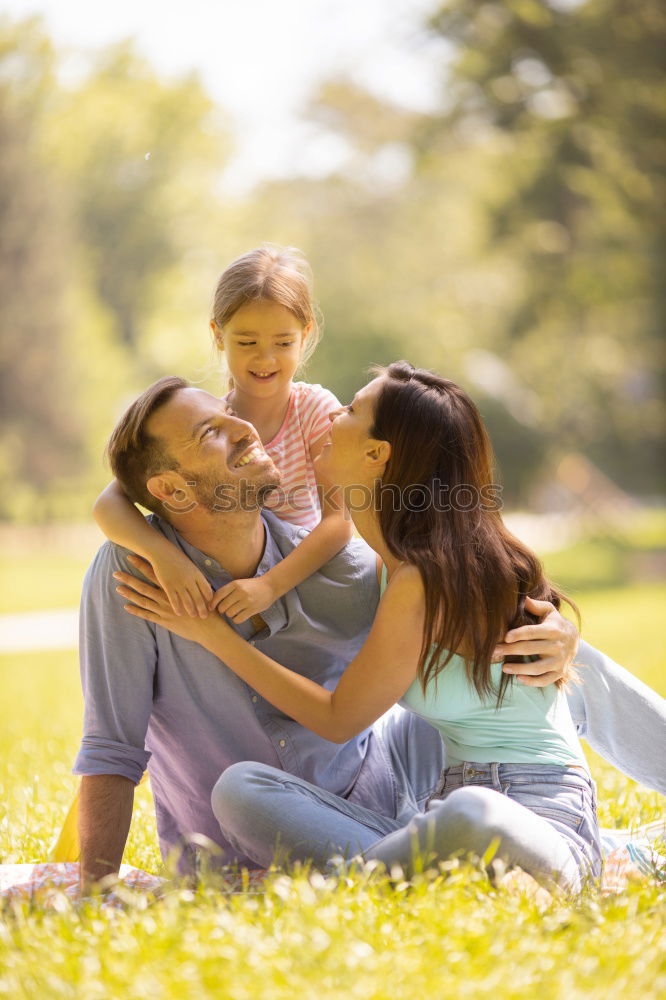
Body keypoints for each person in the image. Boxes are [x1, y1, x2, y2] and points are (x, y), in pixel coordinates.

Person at [77, 375, 666, 891]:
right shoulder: (138, 575)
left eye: (352, 412)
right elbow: (112, 744)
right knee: (240, 789)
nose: (245, 426)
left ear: (379, 455)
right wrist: (95, 888)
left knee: (548, 665)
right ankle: (428, 853)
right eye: (211, 432)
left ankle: (403, 862)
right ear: (172, 493)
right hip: (317, 818)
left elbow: (356, 705)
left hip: (440, 795)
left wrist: (559, 635)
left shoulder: (361, 570)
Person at [93, 245, 352, 624]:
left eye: (283, 343)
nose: (265, 359)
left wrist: (269, 586)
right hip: (227, 579)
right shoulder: (208, 424)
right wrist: (166, 558)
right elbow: (108, 504)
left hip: (297, 580)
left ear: (306, 333)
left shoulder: (313, 409)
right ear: (218, 335)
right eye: (247, 343)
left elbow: (339, 522)